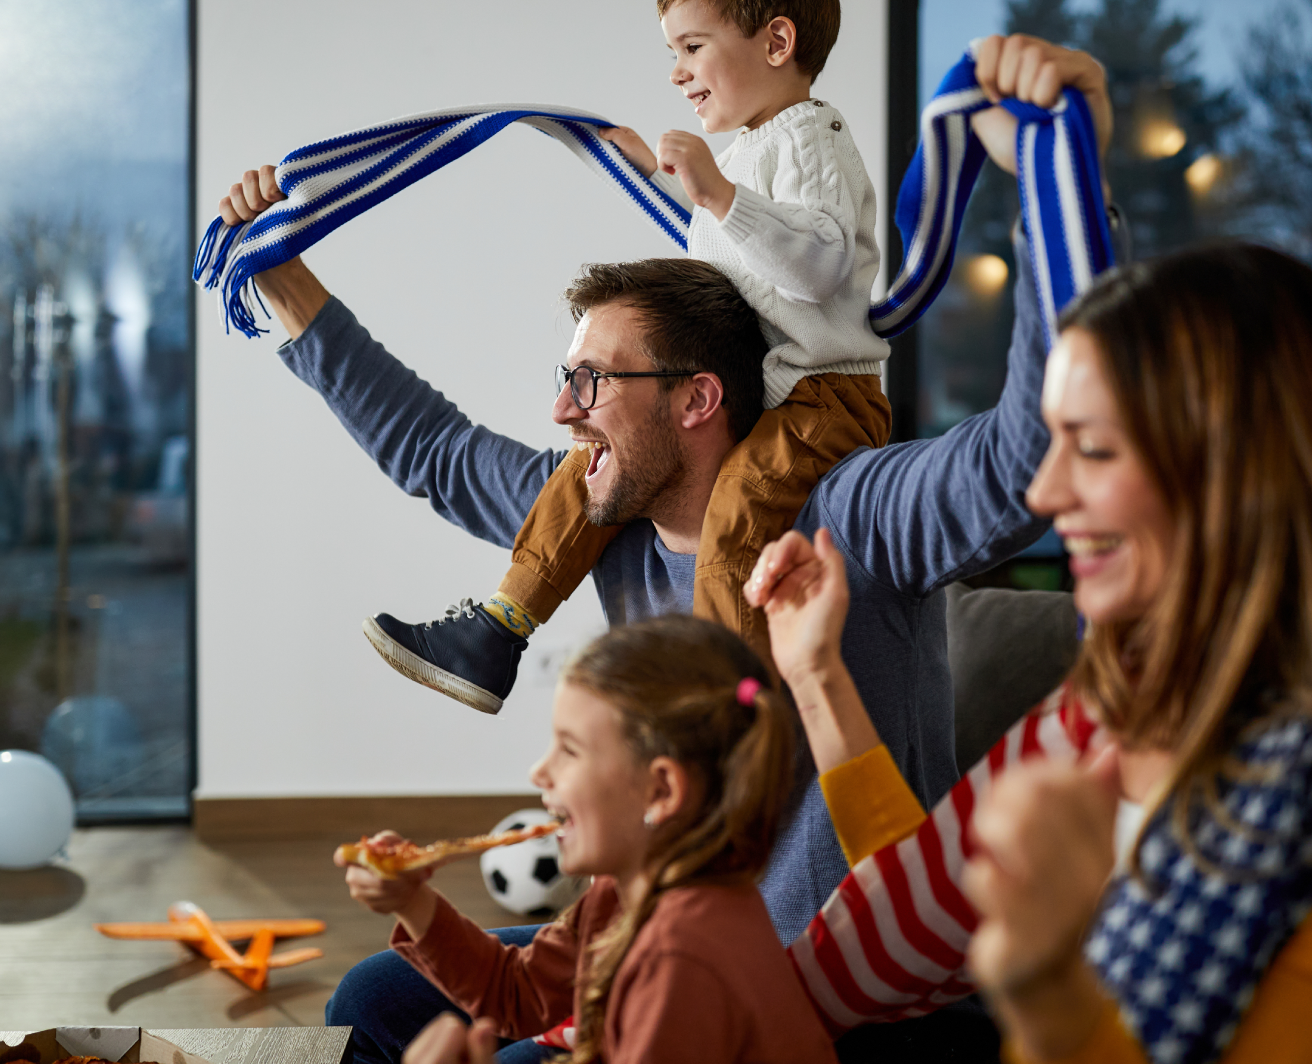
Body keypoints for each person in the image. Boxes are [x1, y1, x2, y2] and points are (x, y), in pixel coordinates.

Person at [215, 31, 1114, 1064]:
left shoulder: (850, 508)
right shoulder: (603, 516)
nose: (562, 409)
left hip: (830, 989)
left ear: (697, 398)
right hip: (662, 938)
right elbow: (437, 451)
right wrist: (279, 279)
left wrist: (1059, 192)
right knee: (377, 990)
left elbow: (1020, 457)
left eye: (593, 381)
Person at [752, 244, 1312, 1063]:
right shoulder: (1119, 697)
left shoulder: (1277, 772)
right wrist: (816, 673)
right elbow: (929, 903)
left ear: (1228, 465)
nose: (1045, 495)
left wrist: (1039, 975)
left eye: (1092, 447)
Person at [360, 0, 893, 713]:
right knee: (587, 473)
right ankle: (498, 629)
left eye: (694, 47)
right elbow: (730, 250)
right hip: (767, 387)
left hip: (824, 397)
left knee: (736, 517)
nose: (678, 73)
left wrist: (720, 195)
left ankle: (726, 706)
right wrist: (655, 176)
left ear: (777, 42)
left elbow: (819, 267)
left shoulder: (811, 137)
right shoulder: (747, 152)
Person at [335, 616, 838, 1064]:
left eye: (569, 751)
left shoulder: (681, 968)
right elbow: (522, 993)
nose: (539, 771)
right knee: (364, 996)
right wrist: (415, 901)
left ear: (660, 791)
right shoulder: (624, 893)